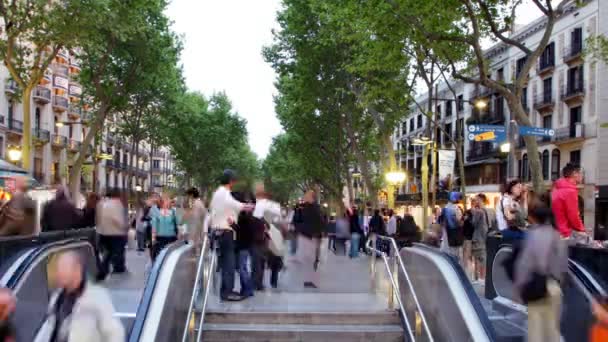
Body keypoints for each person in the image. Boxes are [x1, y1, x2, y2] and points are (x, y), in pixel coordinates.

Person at [34, 251, 124, 342]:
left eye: (63, 268)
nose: (59, 272)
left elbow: (115, 333)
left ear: (77, 269)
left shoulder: (97, 297)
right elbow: (49, 328)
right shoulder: (57, 297)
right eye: (58, 268)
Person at [514, 197, 567, 342]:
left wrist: (519, 288)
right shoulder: (556, 235)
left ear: (533, 218)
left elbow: (524, 264)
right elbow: (563, 264)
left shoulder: (532, 235)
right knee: (553, 330)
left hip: (536, 285)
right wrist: (558, 282)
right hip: (553, 286)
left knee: (535, 331)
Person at [209, 170, 253, 301]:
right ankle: (227, 292)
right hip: (226, 233)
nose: (234, 183)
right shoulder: (224, 193)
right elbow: (235, 204)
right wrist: (247, 206)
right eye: (234, 181)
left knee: (226, 264)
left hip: (219, 232)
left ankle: (226, 290)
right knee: (229, 264)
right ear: (230, 181)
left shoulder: (217, 193)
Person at [252, 183, 284, 289]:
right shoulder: (275, 206)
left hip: (262, 237)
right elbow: (279, 221)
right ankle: (273, 281)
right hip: (273, 236)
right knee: (273, 259)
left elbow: (255, 221)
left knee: (260, 261)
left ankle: (258, 284)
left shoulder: (257, 206)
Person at [96, 188, 128, 280]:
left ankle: (105, 268)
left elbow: (98, 218)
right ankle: (116, 267)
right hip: (116, 233)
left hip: (104, 232)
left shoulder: (102, 204)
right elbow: (117, 219)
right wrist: (124, 226)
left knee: (109, 252)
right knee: (117, 251)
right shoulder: (117, 204)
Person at [296, 190, 324, 289]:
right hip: (307, 235)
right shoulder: (306, 207)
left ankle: (311, 280)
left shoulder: (314, 208)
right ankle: (308, 280)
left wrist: (314, 233)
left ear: (311, 197)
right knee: (307, 259)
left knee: (310, 259)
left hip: (311, 236)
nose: (304, 197)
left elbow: (320, 221)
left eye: (306, 195)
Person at [552, 163, 587, 239]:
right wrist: (582, 230)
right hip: (566, 234)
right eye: (581, 173)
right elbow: (573, 215)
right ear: (574, 174)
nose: (582, 176)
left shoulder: (557, 189)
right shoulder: (570, 191)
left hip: (558, 232)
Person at [470, 193, 496, 282]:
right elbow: (494, 224)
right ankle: (483, 278)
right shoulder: (491, 210)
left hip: (478, 238)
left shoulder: (478, 211)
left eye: (476, 199)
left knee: (478, 259)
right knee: (484, 259)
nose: (475, 201)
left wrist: (473, 210)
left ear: (480, 200)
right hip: (487, 237)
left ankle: (478, 278)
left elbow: (473, 223)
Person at [151, 194, 180, 259]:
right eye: (165, 201)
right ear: (162, 202)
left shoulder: (173, 211)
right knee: (159, 257)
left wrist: (179, 235)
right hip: (160, 238)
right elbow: (154, 225)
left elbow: (178, 224)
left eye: (168, 200)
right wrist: (153, 238)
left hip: (171, 238)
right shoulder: (156, 211)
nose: (167, 202)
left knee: (169, 256)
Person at [441, 192, 465, 262]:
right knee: (456, 253)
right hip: (456, 234)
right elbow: (460, 222)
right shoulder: (457, 209)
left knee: (449, 252)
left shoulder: (444, 209)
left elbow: (442, 222)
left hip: (447, 234)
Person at [183, 187, 208, 255]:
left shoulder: (197, 204)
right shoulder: (199, 203)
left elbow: (196, 221)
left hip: (197, 236)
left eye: (188, 195)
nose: (187, 197)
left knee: (196, 255)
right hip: (199, 234)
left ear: (191, 195)